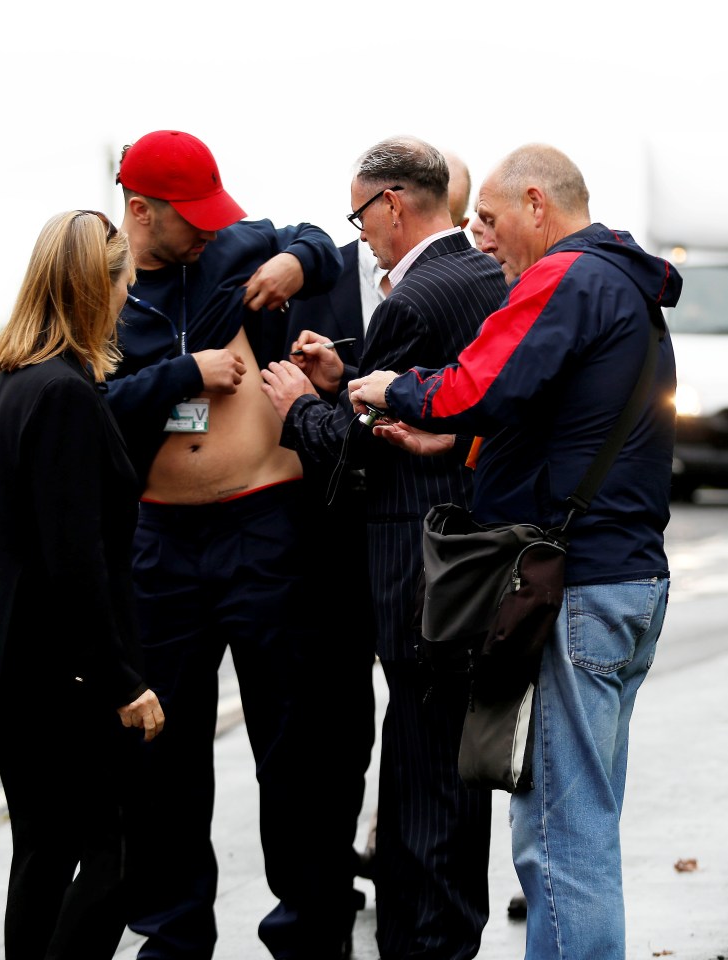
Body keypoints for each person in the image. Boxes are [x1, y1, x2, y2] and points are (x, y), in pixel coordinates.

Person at [348, 143, 680, 960]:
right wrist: (453, 449)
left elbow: (478, 381)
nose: (482, 240)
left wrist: (389, 386)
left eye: (489, 221)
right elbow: (560, 417)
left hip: (580, 586)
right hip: (624, 581)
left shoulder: (569, 276)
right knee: (576, 823)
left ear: (537, 202)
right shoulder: (626, 286)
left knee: (560, 842)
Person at [104, 129, 357, 960]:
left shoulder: (232, 248)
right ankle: (174, 935)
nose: (209, 229)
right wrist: (186, 374)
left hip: (265, 523)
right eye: (189, 217)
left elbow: (318, 241)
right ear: (141, 213)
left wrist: (299, 263)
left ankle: (310, 929)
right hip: (160, 539)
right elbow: (88, 406)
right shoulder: (101, 292)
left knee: (295, 744)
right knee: (162, 753)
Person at [260, 135, 507, 960]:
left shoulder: (410, 298)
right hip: (467, 556)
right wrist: (344, 379)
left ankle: (423, 944)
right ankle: (436, 935)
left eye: (361, 213)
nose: (359, 230)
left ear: (394, 204)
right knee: (443, 763)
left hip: (415, 559)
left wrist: (298, 405)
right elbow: (414, 397)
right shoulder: (477, 274)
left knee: (422, 772)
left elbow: (360, 448)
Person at [0, 210, 165, 959]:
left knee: (41, 848)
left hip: (14, 658)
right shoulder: (65, 395)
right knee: (117, 854)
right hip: (62, 668)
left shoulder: (15, 382)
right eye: (126, 284)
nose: (130, 299)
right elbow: (74, 562)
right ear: (97, 290)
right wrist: (122, 682)